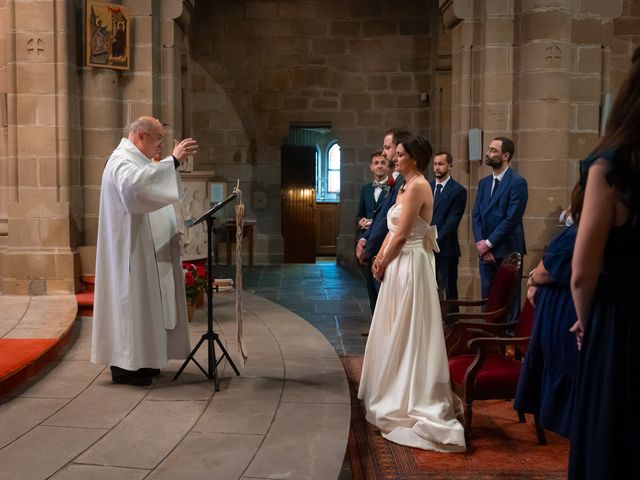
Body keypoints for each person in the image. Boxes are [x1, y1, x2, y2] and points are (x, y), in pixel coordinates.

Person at [358, 135, 466, 452]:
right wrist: (383, 260)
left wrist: (380, 259)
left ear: (414, 159)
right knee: (394, 327)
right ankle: (393, 387)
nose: (395, 158)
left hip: (411, 261)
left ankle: (410, 397)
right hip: (400, 262)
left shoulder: (418, 184)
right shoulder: (403, 185)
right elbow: (392, 228)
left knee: (409, 328)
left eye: (400, 154)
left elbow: (404, 233)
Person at [568, 46, 640, 479]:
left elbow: (582, 273)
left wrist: (585, 320)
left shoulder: (613, 167)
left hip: (623, 322)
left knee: (615, 435)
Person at [91, 116, 199, 386]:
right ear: (141, 136)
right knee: (132, 307)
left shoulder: (137, 160)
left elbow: (150, 184)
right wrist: (171, 162)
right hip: (130, 252)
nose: (160, 145)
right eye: (158, 139)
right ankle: (126, 368)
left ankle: (145, 361)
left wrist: (168, 165)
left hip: (144, 251)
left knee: (146, 308)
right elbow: (135, 188)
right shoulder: (121, 161)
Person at [513, 183, 584, 439]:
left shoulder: (578, 234)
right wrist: (534, 279)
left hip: (565, 312)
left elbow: (548, 269)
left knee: (565, 374)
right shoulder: (577, 232)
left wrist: (534, 279)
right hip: (557, 308)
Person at [355, 128, 411, 314]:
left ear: (400, 148)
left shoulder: (407, 182)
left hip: (395, 251)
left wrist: (371, 251)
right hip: (378, 246)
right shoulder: (397, 181)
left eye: (387, 148)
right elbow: (380, 216)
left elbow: (392, 226)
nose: (384, 153)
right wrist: (363, 239)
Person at [472, 137, 528, 313]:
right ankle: (487, 338)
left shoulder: (517, 182)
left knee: (508, 302)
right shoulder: (484, 183)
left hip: (508, 250)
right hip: (485, 251)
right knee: (487, 300)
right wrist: (482, 243)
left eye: (493, 150)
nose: (488, 153)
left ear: (506, 155)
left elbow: (512, 218)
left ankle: (509, 339)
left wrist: (489, 244)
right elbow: (476, 215)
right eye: (489, 149)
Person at [430, 151, 467, 303]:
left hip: (446, 249)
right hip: (426, 248)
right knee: (429, 290)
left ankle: (453, 324)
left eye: (441, 164)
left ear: (450, 166)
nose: (437, 167)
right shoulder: (427, 186)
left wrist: (433, 241)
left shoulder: (458, 190)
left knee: (449, 291)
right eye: (435, 164)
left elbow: (452, 222)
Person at [356, 151, 391, 238]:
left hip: (385, 237)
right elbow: (360, 214)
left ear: (388, 166)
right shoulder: (365, 189)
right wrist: (360, 221)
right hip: (366, 236)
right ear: (371, 167)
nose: (379, 166)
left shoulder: (394, 188)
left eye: (383, 163)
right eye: (376, 163)